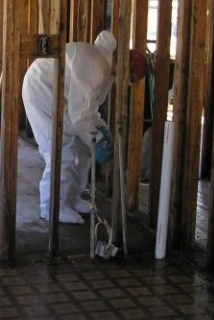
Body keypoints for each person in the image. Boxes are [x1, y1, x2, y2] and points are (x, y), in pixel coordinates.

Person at [22, 30, 147, 224]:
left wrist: (101, 130)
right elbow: (79, 115)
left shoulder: (105, 70)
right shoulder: (94, 64)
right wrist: (96, 140)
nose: (127, 83)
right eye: (129, 78)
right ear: (124, 64)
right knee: (60, 152)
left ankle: (71, 198)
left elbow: (89, 108)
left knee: (84, 149)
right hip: (41, 92)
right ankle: (51, 208)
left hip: (59, 98)